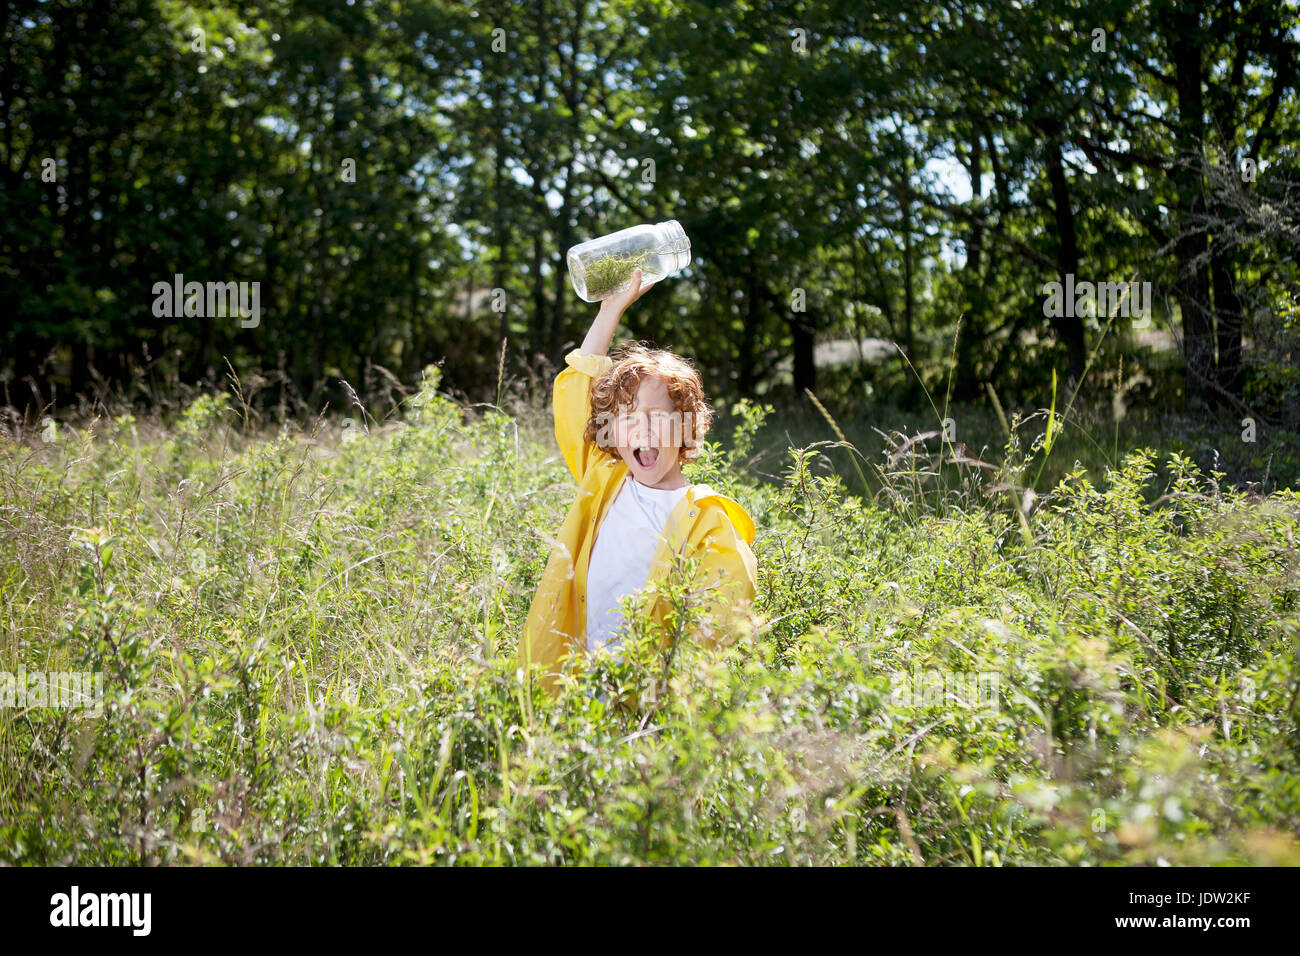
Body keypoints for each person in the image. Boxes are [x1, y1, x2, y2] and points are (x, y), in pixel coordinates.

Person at [518, 269, 759, 700]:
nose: (641, 430)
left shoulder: (706, 520)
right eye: (627, 418)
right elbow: (576, 394)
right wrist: (611, 308)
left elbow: (721, 618)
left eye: (656, 416)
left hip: (643, 704)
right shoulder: (603, 477)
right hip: (574, 688)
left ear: (687, 427)